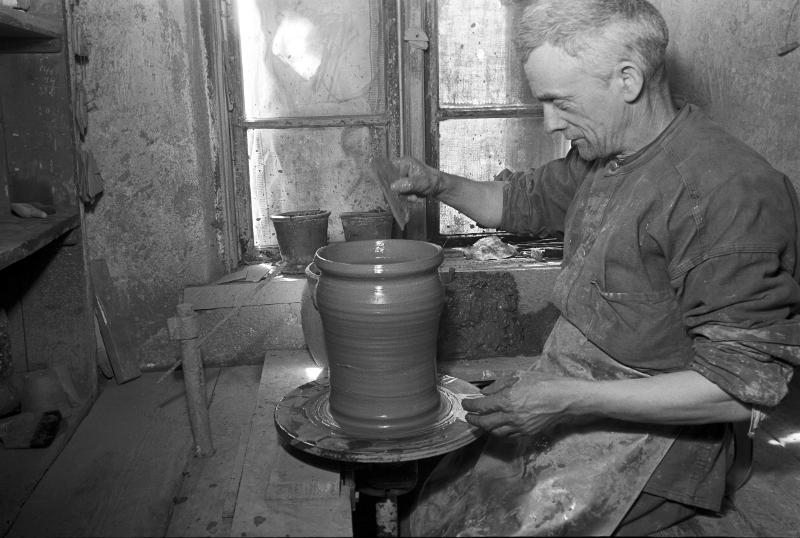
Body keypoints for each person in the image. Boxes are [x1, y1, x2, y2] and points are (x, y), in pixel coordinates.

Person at [391, 0, 800, 535]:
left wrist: (565, 399)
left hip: (666, 437)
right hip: (573, 385)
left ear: (627, 80)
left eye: (559, 103)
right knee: (433, 510)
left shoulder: (727, 193)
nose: (550, 123)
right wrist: (436, 183)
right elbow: (518, 204)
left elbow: (737, 390)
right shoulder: (605, 154)